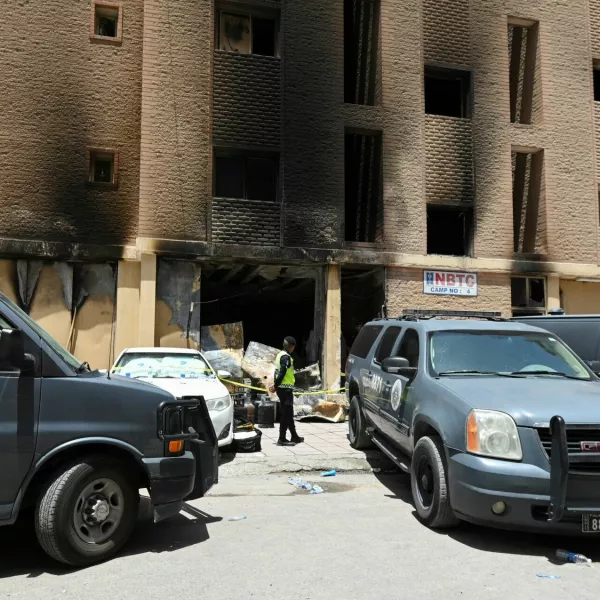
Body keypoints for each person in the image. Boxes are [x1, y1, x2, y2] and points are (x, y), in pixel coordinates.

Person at [269, 336, 304, 446]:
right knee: (286, 414)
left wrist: (276, 385)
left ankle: (294, 435)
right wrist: (276, 385)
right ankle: (282, 438)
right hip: (285, 389)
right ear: (292, 347)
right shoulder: (286, 357)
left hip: (283, 388)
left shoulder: (280, 355)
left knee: (289, 412)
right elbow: (282, 373)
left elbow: (277, 372)